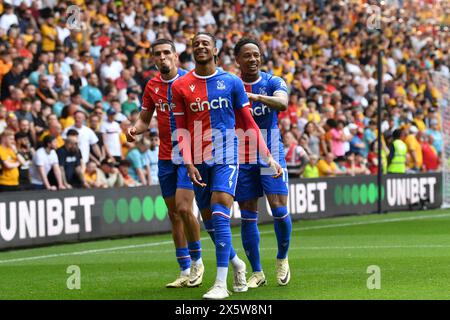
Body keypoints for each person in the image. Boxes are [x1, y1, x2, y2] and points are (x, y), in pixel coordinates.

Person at [172, 33, 282, 299]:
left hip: (227, 154)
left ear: (215, 50)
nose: (200, 46)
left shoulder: (231, 81)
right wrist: (187, 162)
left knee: (221, 210)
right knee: (209, 219)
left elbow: (247, 122)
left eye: (205, 43)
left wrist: (267, 155)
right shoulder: (180, 86)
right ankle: (237, 263)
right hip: (197, 159)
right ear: (191, 51)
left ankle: (220, 283)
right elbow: (181, 128)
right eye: (195, 44)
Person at [127, 39, 204, 289]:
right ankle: (183, 269)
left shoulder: (191, 81)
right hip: (165, 157)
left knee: (184, 208)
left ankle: (198, 263)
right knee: (173, 215)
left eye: (166, 53)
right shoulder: (152, 85)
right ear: (153, 59)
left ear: (176, 56)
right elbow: (144, 120)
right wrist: (134, 130)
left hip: (189, 155)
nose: (162, 57)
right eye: (157, 54)